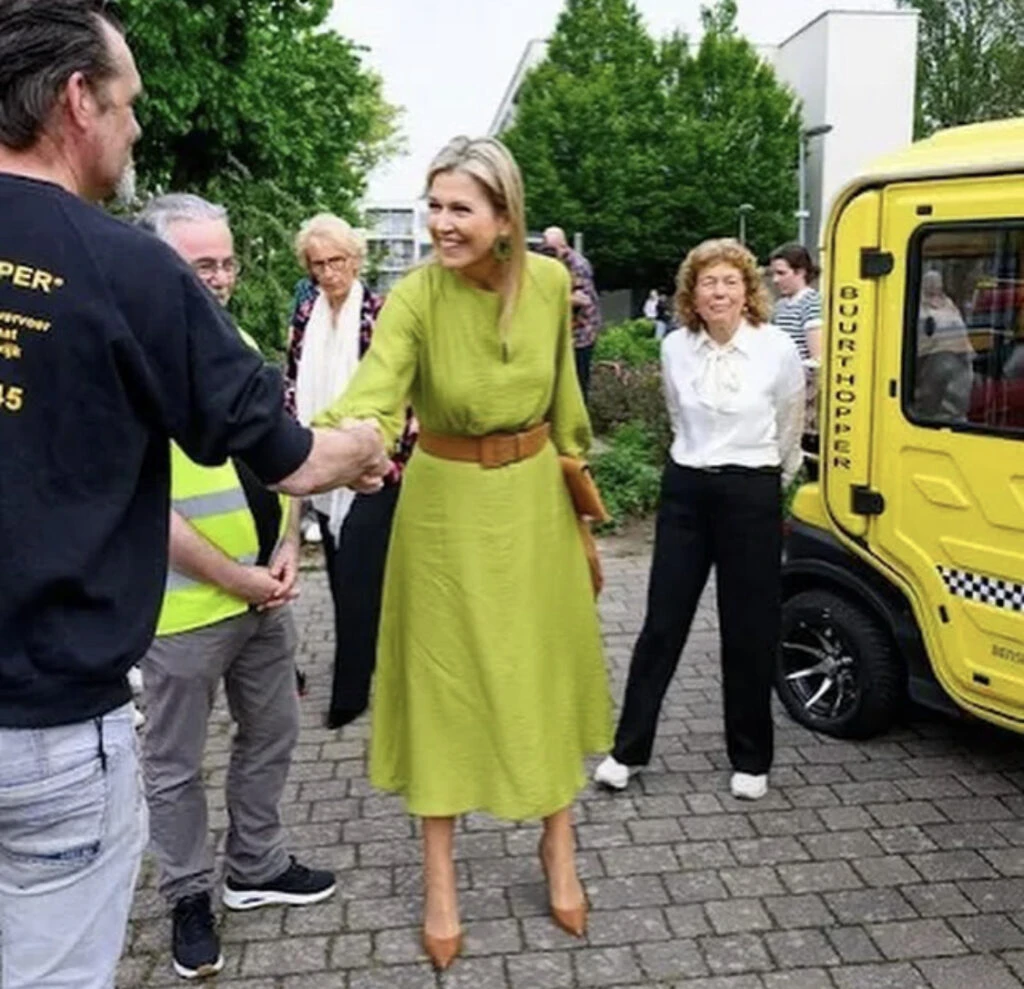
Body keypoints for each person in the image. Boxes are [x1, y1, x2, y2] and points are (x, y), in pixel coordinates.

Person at [0, 4, 387, 987]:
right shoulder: (124, 268)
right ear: (77, 99)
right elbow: (292, 456)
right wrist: (365, 444)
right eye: (128, 102)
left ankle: (252, 866)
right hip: (45, 723)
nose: (136, 127)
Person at [317, 136, 612, 970]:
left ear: (505, 217)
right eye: (434, 206)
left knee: (538, 675)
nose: (441, 224)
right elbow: (377, 393)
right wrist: (334, 444)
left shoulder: (548, 284)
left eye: (460, 209)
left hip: (535, 506)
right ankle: (439, 879)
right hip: (443, 511)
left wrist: (581, 508)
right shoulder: (414, 297)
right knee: (443, 687)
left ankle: (558, 844)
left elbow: (566, 401)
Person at [135, 194, 337, 981]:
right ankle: (188, 894)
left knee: (273, 732)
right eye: (201, 265)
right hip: (186, 606)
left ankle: (256, 864)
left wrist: (287, 544)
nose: (218, 279)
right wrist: (234, 574)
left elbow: (278, 454)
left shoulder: (236, 341)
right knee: (175, 763)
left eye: (226, 263)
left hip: (264, 592)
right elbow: (145, 505)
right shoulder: (134, 356)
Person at [594, 238, 804, 802]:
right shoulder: (676, 348)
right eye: (708, 282)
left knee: (748, 628)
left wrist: (770, 480)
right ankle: (628, 750)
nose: (719, 292)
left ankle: (751, 758)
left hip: (751, 489)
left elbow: (790, 420)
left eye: (730, 282)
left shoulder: (776, 348)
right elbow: (674, 412)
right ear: (692, 293)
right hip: (687, 488)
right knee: (662, 623)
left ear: (748, 290)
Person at [285, 213, 416, 729]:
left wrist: (388, 457)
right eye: (317, 264)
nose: (328, 272)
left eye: (336, 260)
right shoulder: (306, 315)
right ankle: (371, 656)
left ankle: (350, 692)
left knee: (359, 572)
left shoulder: (381, 313)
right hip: (320, 458)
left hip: (375, 462)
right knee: (344, 576)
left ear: (356, 259)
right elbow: (292, 379)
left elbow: (403, 388)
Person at [542, 225, 602, 396]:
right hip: (561, 332)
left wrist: (552, 299)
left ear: (563, 247)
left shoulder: (578, 265)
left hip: (581, 334)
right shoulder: (550, 262)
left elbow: (583, 299)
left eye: (552, 249)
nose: (549, 253)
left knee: (577, 384)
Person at [914, 269, 974, 421]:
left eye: (937, 282)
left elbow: (960, 329)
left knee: (957, 400)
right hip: (933, 358)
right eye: (930, 282)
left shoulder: (948, 303)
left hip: (959, 357)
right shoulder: (918, 306)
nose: (934, 285)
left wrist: (967, 352)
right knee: (931, 399)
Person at [769, 242, 823, 361]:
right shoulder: (780, 306)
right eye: (773, 274)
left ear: (800, 272)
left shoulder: (812, 303)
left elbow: (817, 358)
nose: (775, 280)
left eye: (781, 273)